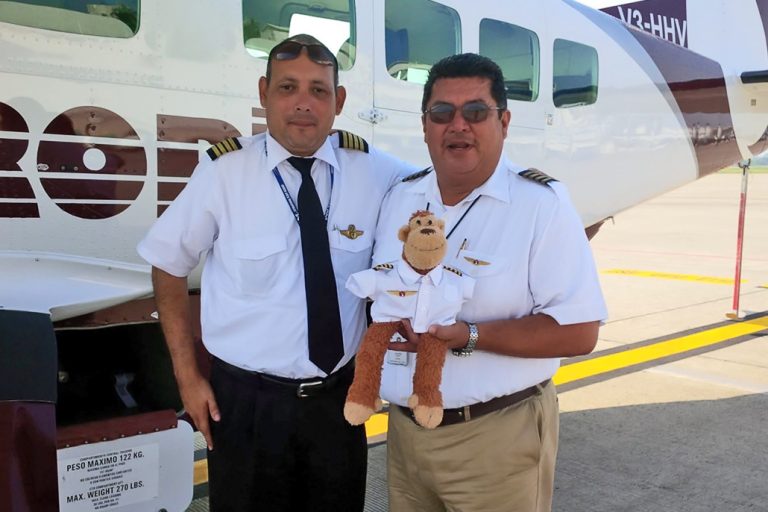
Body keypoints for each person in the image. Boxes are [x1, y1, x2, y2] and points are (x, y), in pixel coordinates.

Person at [137, 34, 414, 511]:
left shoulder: (375, 171)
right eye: (288, 88)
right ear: (264, 93)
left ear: (339, 101)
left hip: (338, 404)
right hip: (247, 406)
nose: (303, 103)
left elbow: (443, 192)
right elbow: (167, 263)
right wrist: (187, 376)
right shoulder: (225, 172)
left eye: (318, 90)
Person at [372, 53, 608, 512]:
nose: (458, 125)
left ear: (504, 121)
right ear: (425, 125)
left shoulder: (541, 204)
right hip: (404, 436)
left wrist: (469, 335)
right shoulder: (400, 197)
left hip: (496, 437)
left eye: (476, 112)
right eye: (442, 112)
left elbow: (580, 332)